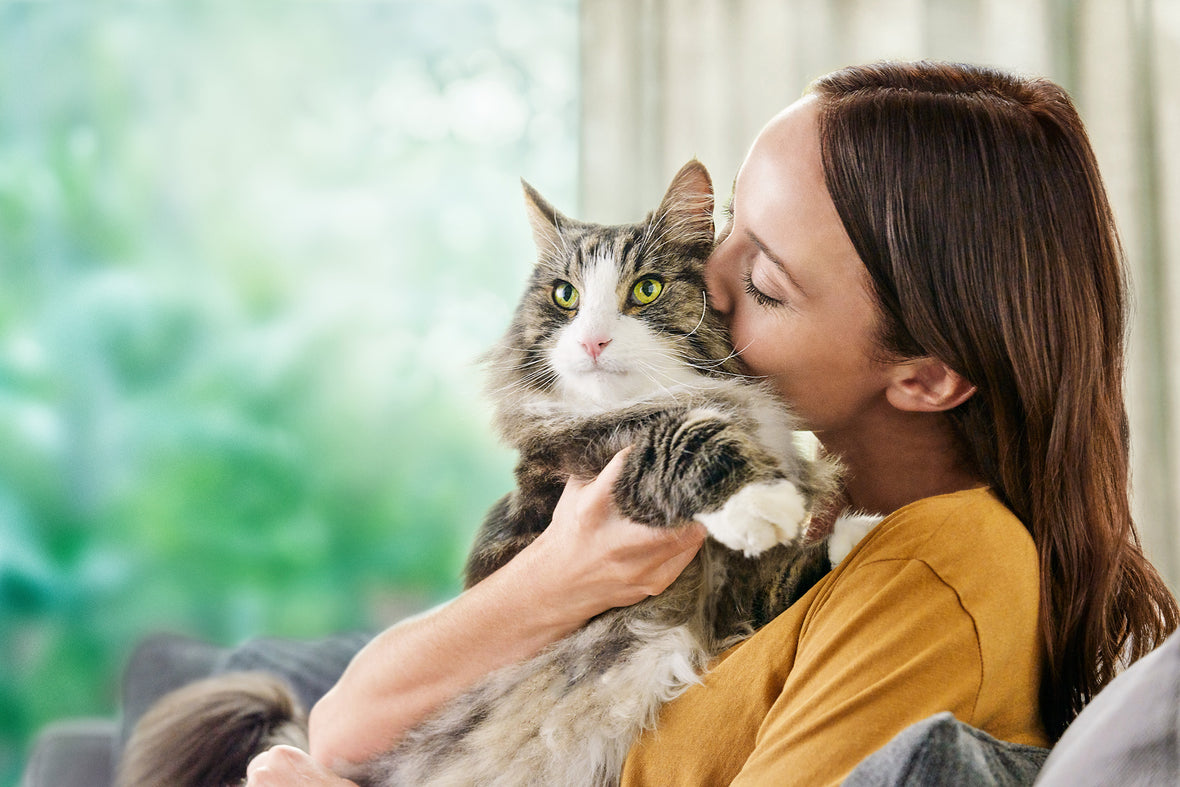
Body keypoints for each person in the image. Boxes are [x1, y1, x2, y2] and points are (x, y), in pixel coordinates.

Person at [244, 60, 1179, 786]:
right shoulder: (765, 502)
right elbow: (342, 724)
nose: (702, 285)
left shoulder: (944, 570)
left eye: (765, 284)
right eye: (723, 227)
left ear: (927, 377)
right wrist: (556, 577)